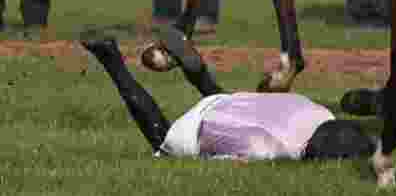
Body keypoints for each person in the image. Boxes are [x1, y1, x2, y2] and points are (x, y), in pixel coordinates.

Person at [81, 30, 376, 161]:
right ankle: (111, 59)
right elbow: (218, 156)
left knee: (228, 101)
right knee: (162, 140)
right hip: (201, 125)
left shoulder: (320, 112)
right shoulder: (272, 152)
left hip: (235, 101)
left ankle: (197, 73)